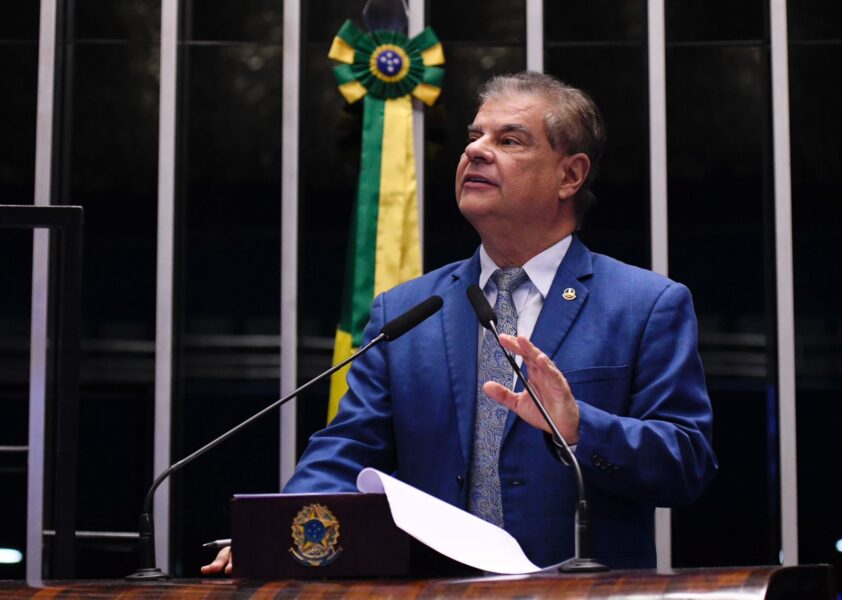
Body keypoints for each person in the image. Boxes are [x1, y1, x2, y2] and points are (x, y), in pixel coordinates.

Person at [202, 71, 717, 575]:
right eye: (474, 136)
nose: (476, 151)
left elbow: (686, 464)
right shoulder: (407, 311)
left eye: (509, 140)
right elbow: (348, 450)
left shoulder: (645, 304)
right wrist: (276, 533)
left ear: (570, 176)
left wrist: (581, 428)